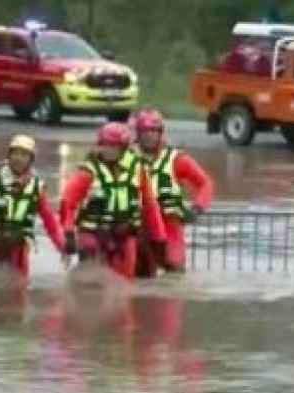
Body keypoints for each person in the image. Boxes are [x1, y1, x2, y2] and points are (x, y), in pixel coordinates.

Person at [59, 122, 168, 280]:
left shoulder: (137, 170)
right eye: (104, 144)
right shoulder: (87, 172)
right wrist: (68, 233)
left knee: (124, 284)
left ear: (124, 147)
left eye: (113, 146)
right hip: (93, 235)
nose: (107, 150)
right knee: (92, 283)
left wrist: (159, 239)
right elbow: (67, 203)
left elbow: (150, 205)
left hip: (124, 235)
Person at [0, 134, 66, 282]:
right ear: (9, 155)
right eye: (15, 153)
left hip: (18, 250)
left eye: (24, 155)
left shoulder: (36, 188)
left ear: (31, 160)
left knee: (18, 290)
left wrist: (62, 245)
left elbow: (50, 221)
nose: (19, 159)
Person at [131, 108, 214, 278]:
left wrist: (197, 208)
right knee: (138, 276)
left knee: (175, 274)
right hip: (139, 228)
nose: (149, 135)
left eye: (154, 131)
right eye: (145, 131)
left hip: (169, 228)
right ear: (138, 135)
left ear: (161, 133)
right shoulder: (127, 160)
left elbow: (205, 183)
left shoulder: (177, 160)